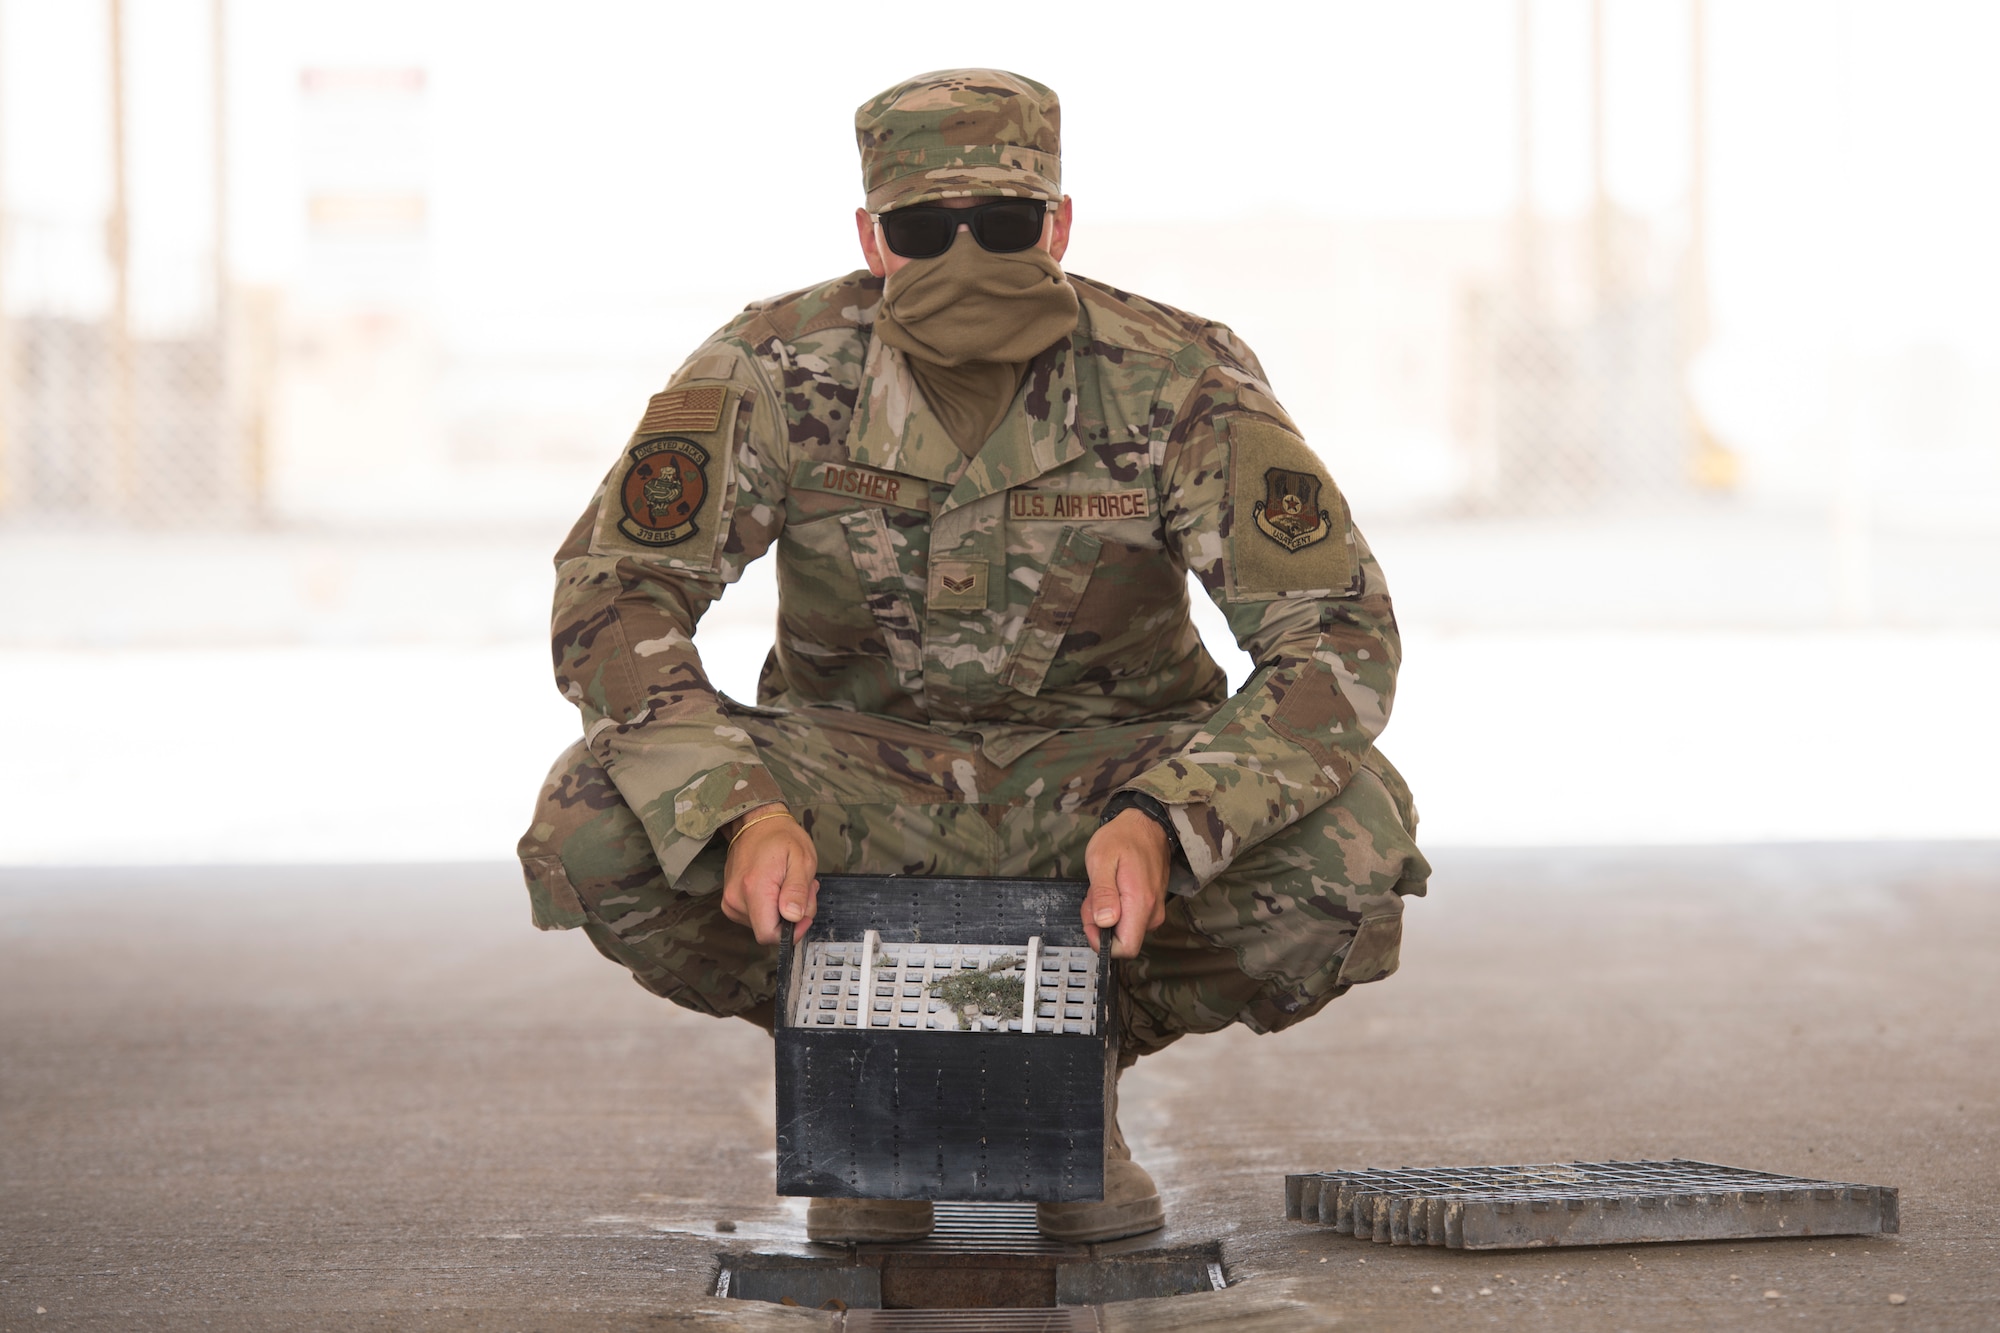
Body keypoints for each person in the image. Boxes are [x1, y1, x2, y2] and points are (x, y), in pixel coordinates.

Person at [517, 68, 1429, 1245]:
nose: (962, 258)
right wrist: (739, 811)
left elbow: (1333, 634)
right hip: (855, 790)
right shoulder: (774, 364)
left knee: (1354, 824)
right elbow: (616, 591)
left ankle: (1075, 1071)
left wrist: (1170, 817)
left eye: (1000, 226)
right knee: (595, 814)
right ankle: (859, 1065)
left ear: (1056, 225)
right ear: (868, 238)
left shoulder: (1174, 373)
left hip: (1104, 788)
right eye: (918, 230)